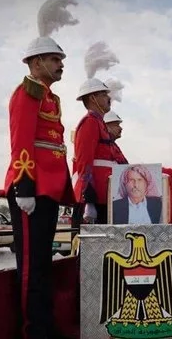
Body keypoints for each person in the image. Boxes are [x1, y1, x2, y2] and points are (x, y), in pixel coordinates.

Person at [3, 0, 78, 339]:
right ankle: (34, 331)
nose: (61, 64)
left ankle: (44, 325)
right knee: (32, 267)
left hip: (47, 190)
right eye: (54, 59)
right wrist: (25, 186)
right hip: (31, 190)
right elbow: (21, 142)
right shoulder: (28, 92)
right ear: (35, 63)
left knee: (42, 265)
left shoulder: (49, 95)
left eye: (61, 58)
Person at [72, 41, 119, 225]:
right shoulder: (90, 122)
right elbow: (85, 163)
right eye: (103, 94)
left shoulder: (99, 123)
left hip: (104, 196)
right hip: (92, 199)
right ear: (92, 98)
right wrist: (88, 199)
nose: (109, 98)